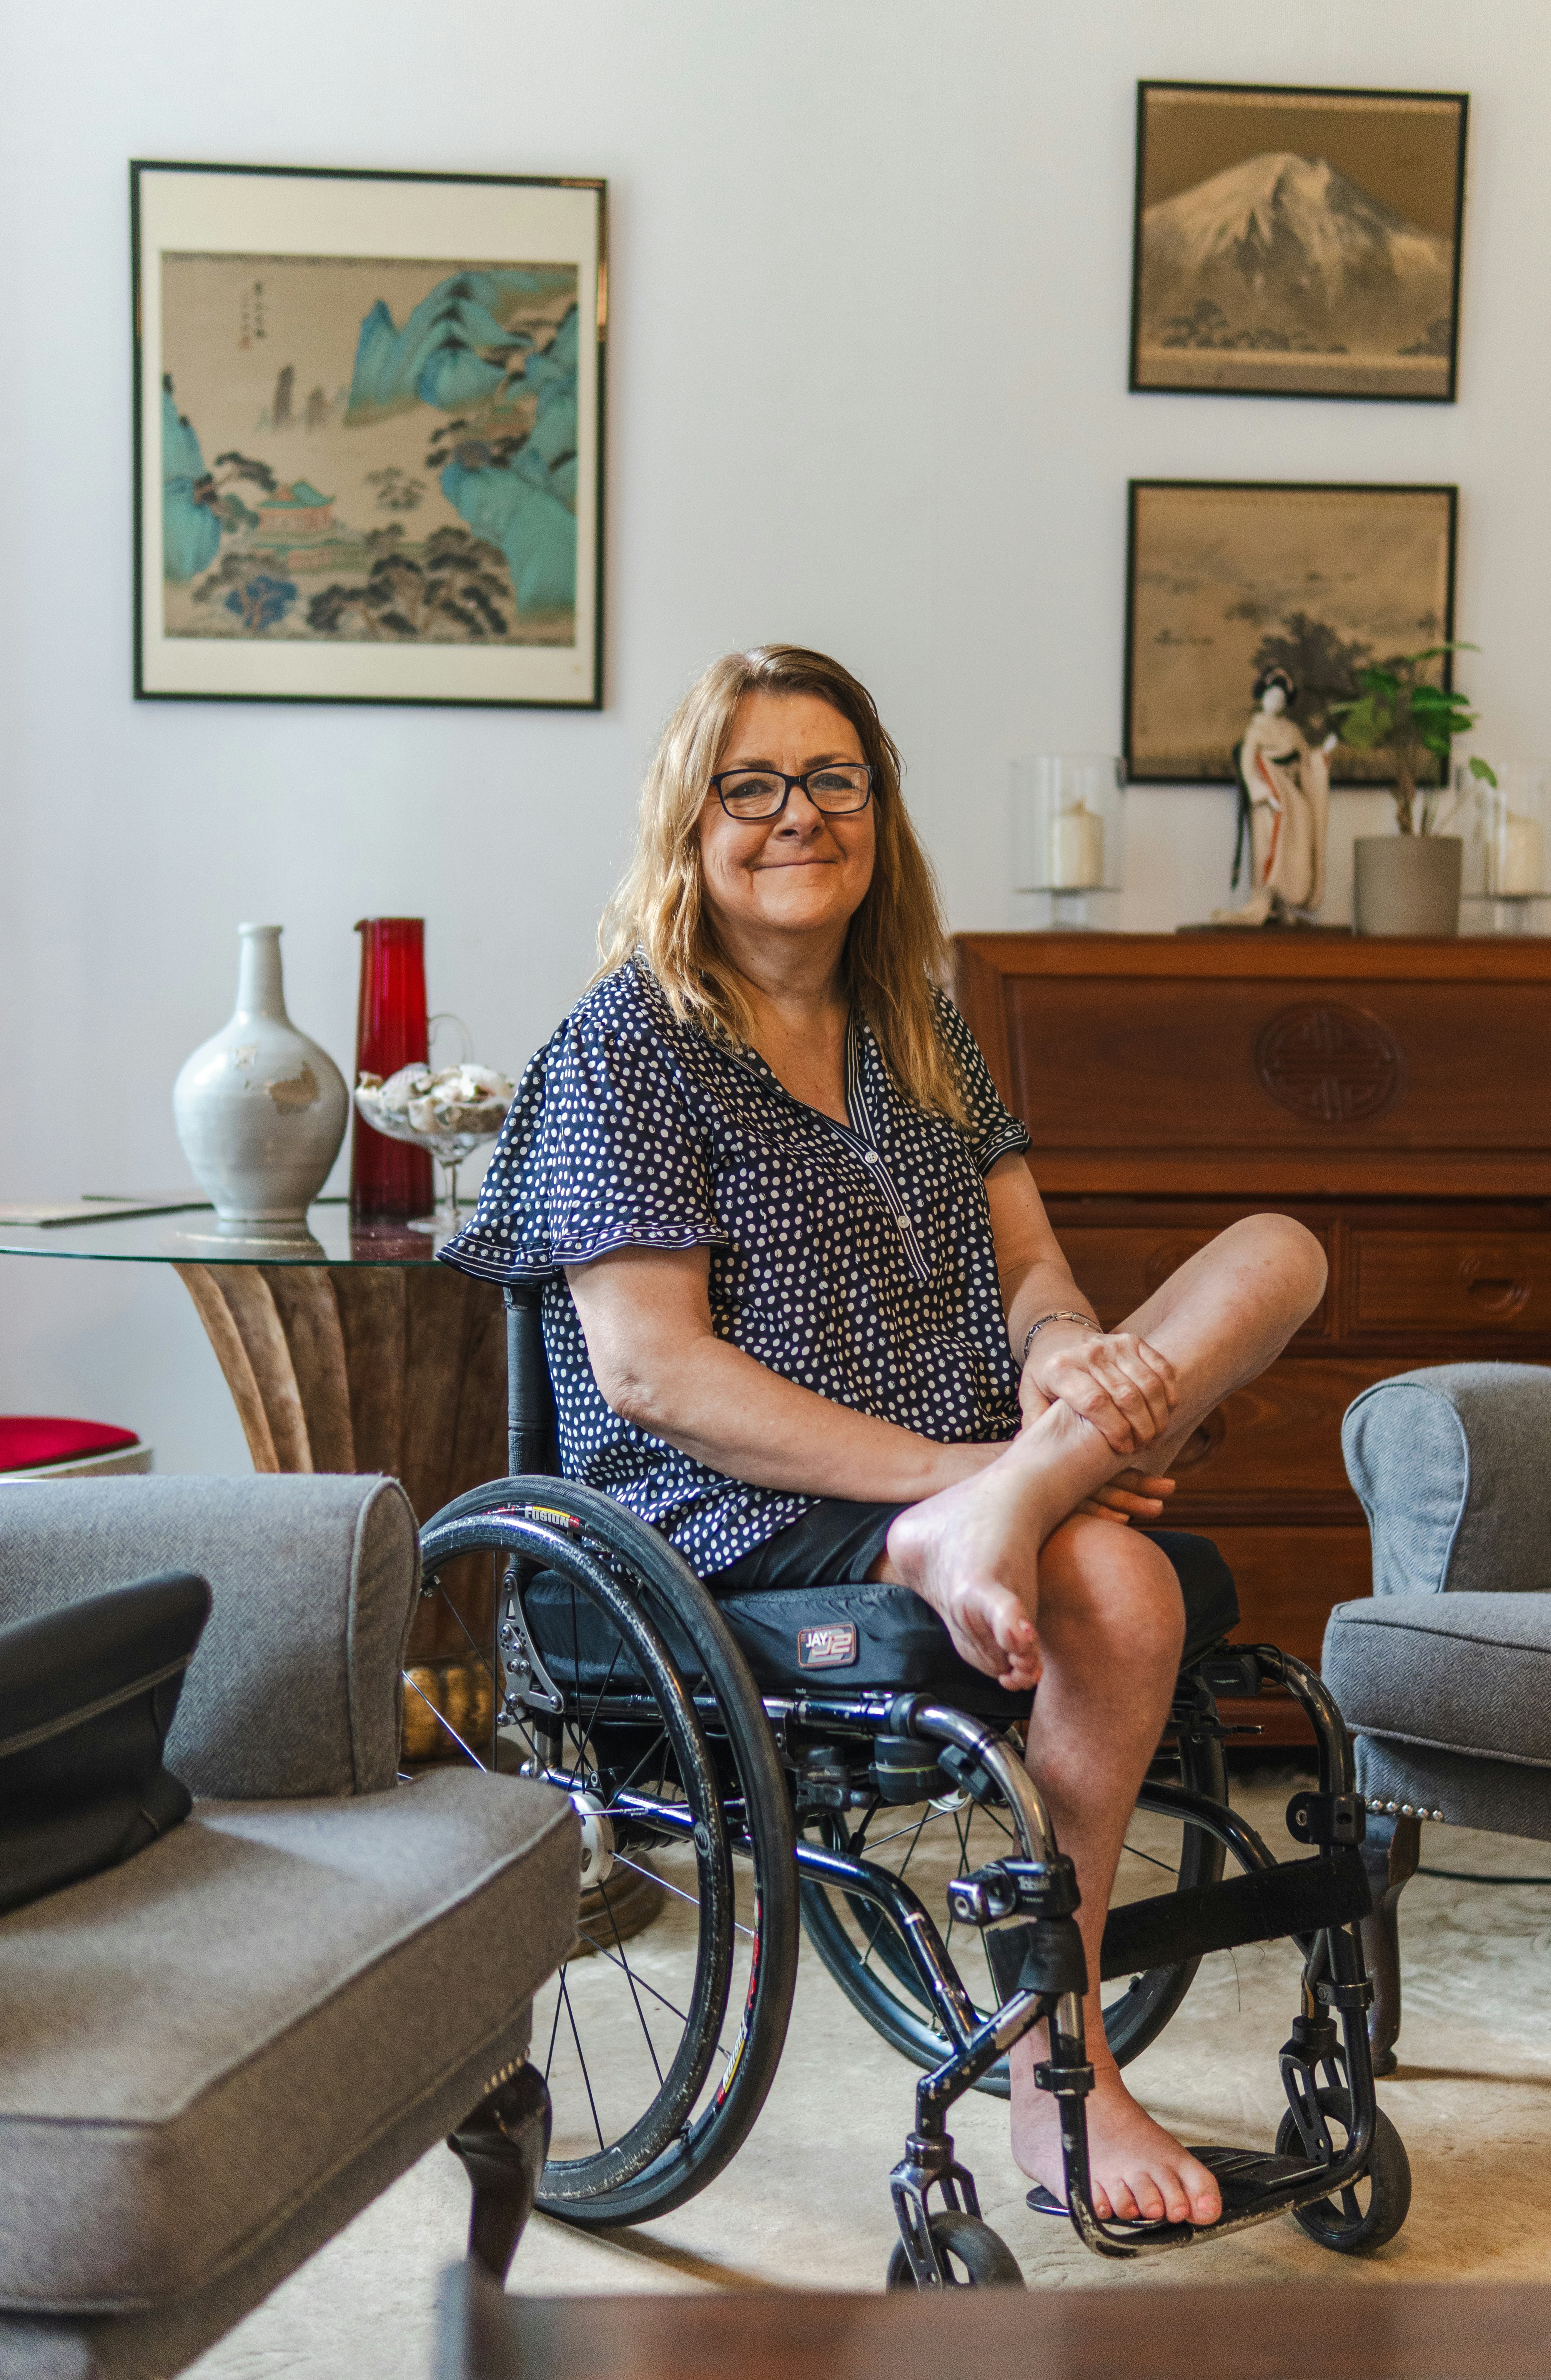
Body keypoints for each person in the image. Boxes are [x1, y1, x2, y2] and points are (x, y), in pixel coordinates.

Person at [443, 644, 1326, 2230]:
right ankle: (1070, 2078)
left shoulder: (914, 1023)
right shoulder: (625, 1049)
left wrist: (1069, 1370)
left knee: (1281, 1249)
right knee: (1122, 1588)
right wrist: (976, 1479)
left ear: (880, 812)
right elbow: (653, 1380)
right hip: (721, 1521)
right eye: (754, 785)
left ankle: (1019, 1508)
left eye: (834, 780)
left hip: (980, 1470)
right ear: (689, 825)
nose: (800, 814)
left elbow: (1030, 1264)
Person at [1213, 665, 1335, 927]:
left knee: (1301, 835)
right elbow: (1248, 764)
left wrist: (1322, 754)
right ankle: (1267, 902)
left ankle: (1287, 903)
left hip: (1293, 795)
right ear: (1263, 698)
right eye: (1271, 697)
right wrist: (1262, 791)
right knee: (1270, 846)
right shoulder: (1256, 730)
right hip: (1270, 797)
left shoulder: (1291, 731)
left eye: (1280, 699)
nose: (1275, 702)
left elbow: (1305, 761)